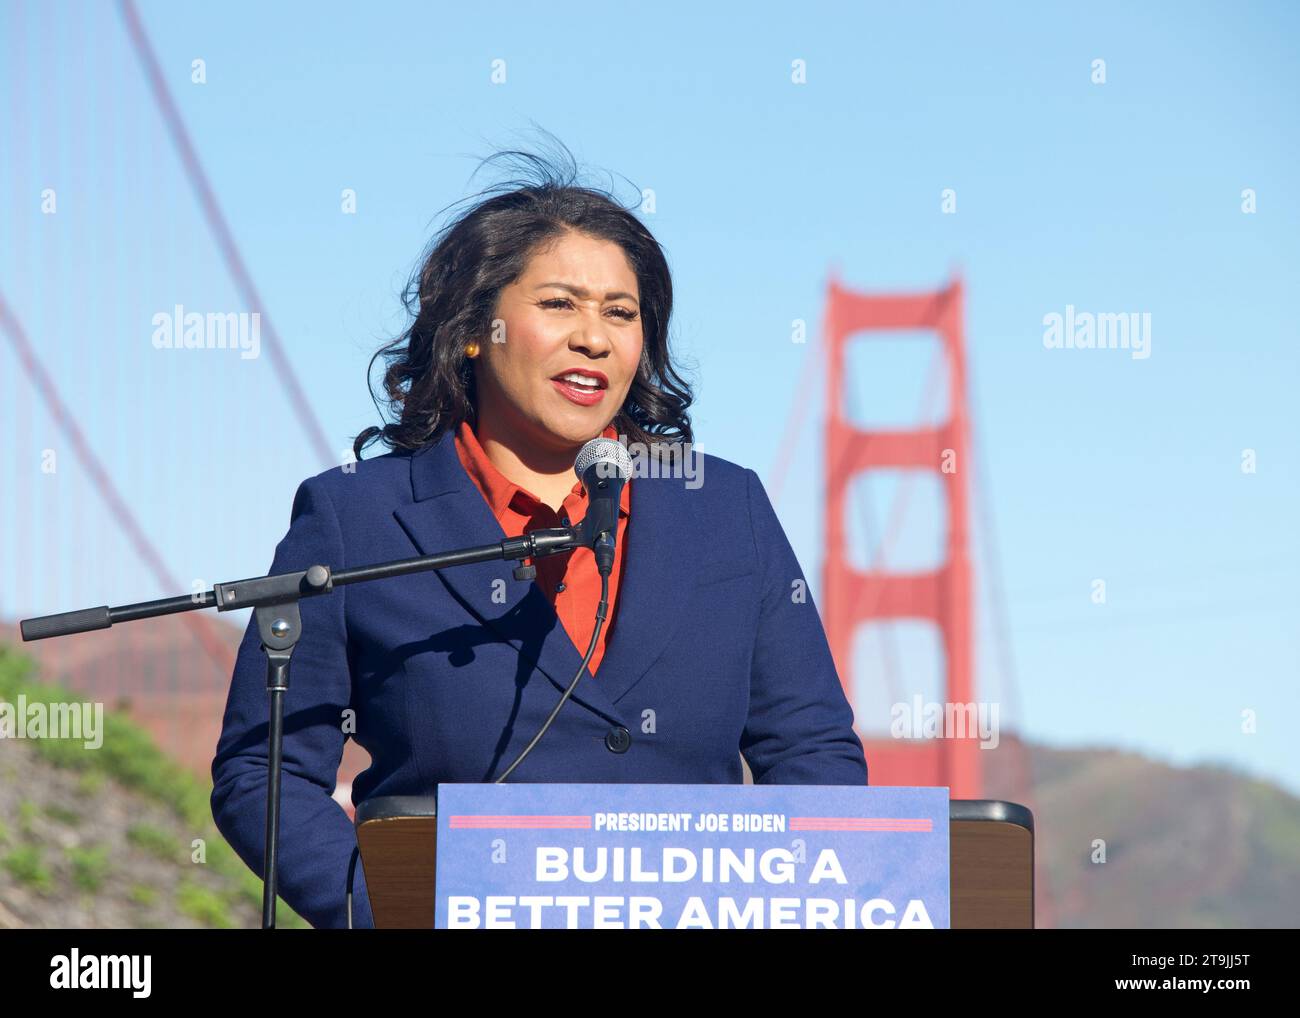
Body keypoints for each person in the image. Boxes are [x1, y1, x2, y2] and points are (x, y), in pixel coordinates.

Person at [210, 142, 867, 930]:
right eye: (560, 304)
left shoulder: (726, 506)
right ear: (472, 330)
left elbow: (813, 752)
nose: (595, 337)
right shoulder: (353, 519)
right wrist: (389, 909)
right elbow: (262, 772)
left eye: (621, 314)